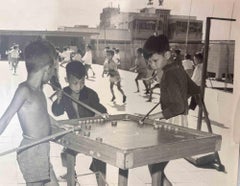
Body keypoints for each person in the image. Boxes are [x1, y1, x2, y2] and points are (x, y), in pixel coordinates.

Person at [142, 34, 199, 186]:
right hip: (176, 121)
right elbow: (195, 89)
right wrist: (183, 94)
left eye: (155, 60)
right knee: (154, 164)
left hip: (174, 124)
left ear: (167, 55)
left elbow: (178, 106)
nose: (152, 64)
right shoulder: (177, 69)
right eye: (149, 61)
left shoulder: (170, 73)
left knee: (155, 164)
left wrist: (155, 116)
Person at [0, 39, 59, 186]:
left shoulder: (39, 91)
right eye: (53, 71)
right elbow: (5, 120)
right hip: (32, 151)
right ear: (47, 69)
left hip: (42, 149)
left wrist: (61, 126)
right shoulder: (24, 90)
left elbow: (43, 116)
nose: (53, 75)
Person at [51, 61, 108, 185]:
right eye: (75, 83)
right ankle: (71, 175)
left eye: (82, 82)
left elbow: (101, 109)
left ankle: (101, 180)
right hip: (75, 131)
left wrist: (103, 113)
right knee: (66, 153)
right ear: (67, 79)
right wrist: (59, 99)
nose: (79, 86)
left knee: (99, 156)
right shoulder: (65, 93)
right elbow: (56, 112)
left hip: (91, 132)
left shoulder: (91, 94)